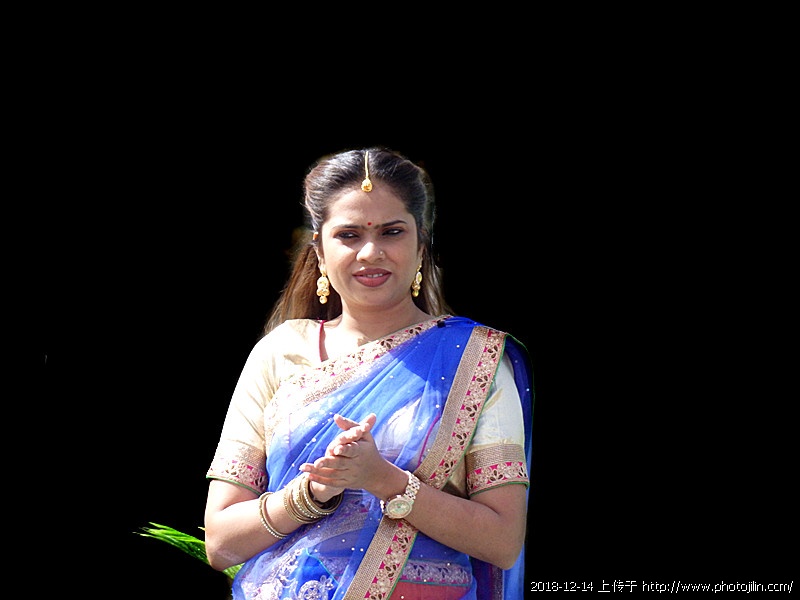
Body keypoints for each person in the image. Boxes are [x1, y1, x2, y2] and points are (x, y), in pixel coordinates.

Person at [203, 147, 534, 599]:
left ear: (421, 245)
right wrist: (312, 492)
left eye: (391, 232)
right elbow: (221, 542)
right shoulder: (279, 354)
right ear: (320, 252)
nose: (371, 252)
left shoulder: (474, 360)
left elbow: (502, 541)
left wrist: (384, 480)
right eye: (349, 235)